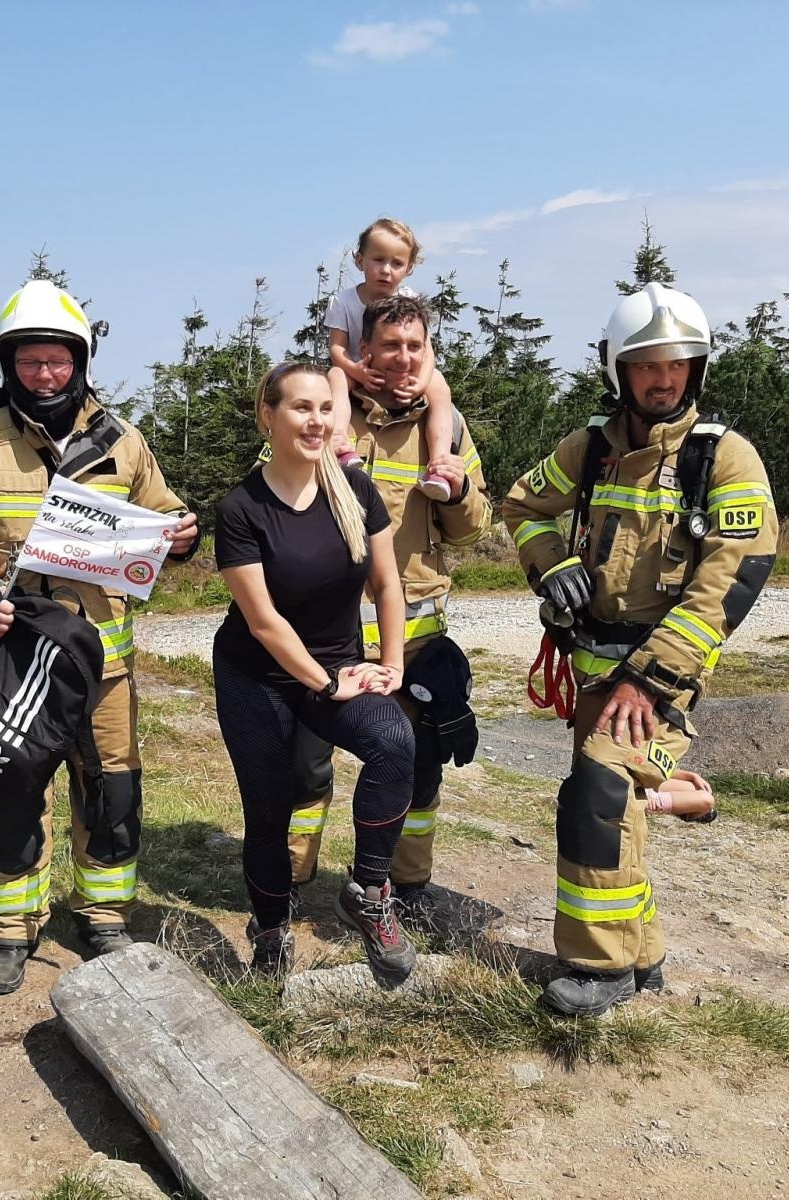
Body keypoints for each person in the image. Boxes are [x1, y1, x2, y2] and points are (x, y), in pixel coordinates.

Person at [0, 279, 199, 996]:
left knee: (112, 793)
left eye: (58, 361)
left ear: (81, 362)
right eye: (30, 362)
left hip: (105, 665)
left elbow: (163, 513)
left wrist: (184, 536)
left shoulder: (122, 443)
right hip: (18, 661)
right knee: (17, 790)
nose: (45, 375)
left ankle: (101, 912)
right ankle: (11, 927)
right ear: (9, 365)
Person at [500, 282, 778, 1017]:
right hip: (593, 670)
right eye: (648, 364)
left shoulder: (723, 460)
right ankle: (643, 954)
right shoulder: (590, 449)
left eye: (679, 364)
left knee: (597, 794)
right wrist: (551, 564)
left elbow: (728, 584)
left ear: (698, 370)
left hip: (661, 680)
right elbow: (522, 506)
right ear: (618, 371)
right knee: (613, 809)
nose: (664, 379)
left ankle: (601, 968)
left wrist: (649, 684)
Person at [288, 294, 492, 925]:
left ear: (429, 353)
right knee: (303, 769)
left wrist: (457, 491)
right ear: (366, 352)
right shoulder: (326, 420)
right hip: (324, 640)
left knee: (416, 772)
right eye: (391, 346)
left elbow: (473, 530)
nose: (404, 359)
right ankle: (290, 877)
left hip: (416, 645)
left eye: (416, 347)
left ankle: (401, 886)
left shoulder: (449, 428)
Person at [213, 362, 417, 982]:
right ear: (268, 417)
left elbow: (387, 582)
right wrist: (326, 684)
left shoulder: (355, 490)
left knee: (395, 741)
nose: (317, 420)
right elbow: (265, 622)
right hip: (260, 674)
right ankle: (271, 928)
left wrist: (391, 665)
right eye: (302, 408)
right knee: (271, 808)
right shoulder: (241, 508)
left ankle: (369, 892)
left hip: (340, 667)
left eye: (327, 408)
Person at [326, 218, 457, 502]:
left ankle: (440, 464)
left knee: (439, 387)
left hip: (403, 373)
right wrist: (356, 372)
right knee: (335, 378)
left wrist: (420, 382)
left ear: (409, 268)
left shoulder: (410, 300)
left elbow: (427, 351)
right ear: (360, 261)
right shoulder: (344, 301)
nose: (386, 270)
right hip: (357, 367)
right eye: (378, 260)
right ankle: (339, 442)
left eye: (396, 263)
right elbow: (337, 349)